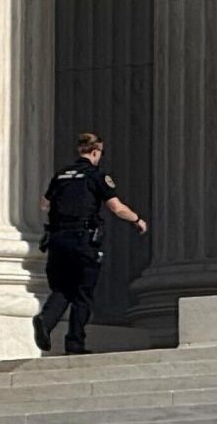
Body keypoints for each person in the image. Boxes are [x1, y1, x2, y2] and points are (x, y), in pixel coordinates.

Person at [32, 131, 148, 355]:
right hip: (82, 240)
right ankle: (75, 343)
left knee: (62, 288)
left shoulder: (61, 175)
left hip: (57, 240)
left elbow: (44, 205)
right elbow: (117, 208)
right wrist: (137, 219)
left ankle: (45, 321)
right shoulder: (97, 175)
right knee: (83, 293)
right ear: (96, 152)